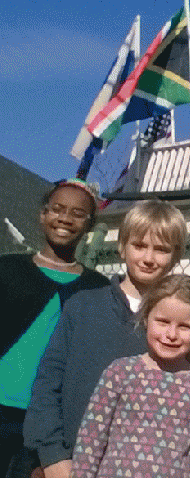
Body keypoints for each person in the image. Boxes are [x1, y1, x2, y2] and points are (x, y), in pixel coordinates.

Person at [23, 200, 187, 478]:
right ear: (122, 246)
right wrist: (53, 458)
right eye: (139, 245)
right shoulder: (83, 305)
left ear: (176, 256)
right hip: (65, 462)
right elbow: (48, 382)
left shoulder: (178, 329)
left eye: (161, 249)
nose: (148, 258)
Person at [0, 179, 109, 477]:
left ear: (89, 225)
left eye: (77, 213)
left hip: (47, 422)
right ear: (43, 215)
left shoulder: (98, 289)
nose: (65, 218)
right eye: (57, 209)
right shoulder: (7, 270)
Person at [71, 274, 190, 478]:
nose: (171, 334)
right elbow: (90, 441)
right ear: (146, 318)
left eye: (184, 326)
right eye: (162, 321)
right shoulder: (120, 373)